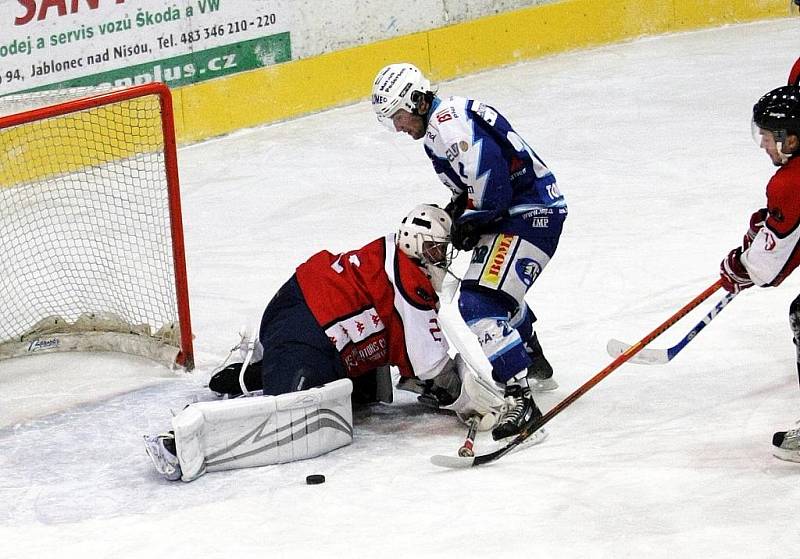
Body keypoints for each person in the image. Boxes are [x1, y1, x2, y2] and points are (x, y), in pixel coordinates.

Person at [144, 204, 505, 481]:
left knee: (357, 397)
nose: (440, 260)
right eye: (435, 251)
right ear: (415, 245)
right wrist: (466, 399)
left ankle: (255, 374)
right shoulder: (411, 282)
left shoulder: (395, 257)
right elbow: (430, 362)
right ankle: (181, 442)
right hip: (304, 327)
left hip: (310, 317)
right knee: (293, 417)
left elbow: (408, 347)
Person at [371, 63, 567, 440]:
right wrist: (457, 215)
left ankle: (519, 398)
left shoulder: (449, 126)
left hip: (530, 214)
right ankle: (528, 351)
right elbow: (473, 190)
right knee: (487, 290)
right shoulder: (440, 127)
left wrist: (468, 222)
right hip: (515, 213)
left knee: (479, 305)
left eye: (397, 115)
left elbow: (493, 192)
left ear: (415, 99)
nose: (397, 126)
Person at [718, 84, 800, 463]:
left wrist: (742, 265)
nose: (764, 146)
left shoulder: (789, 182)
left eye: (768, 137)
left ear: (791, 138)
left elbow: (768, 269)